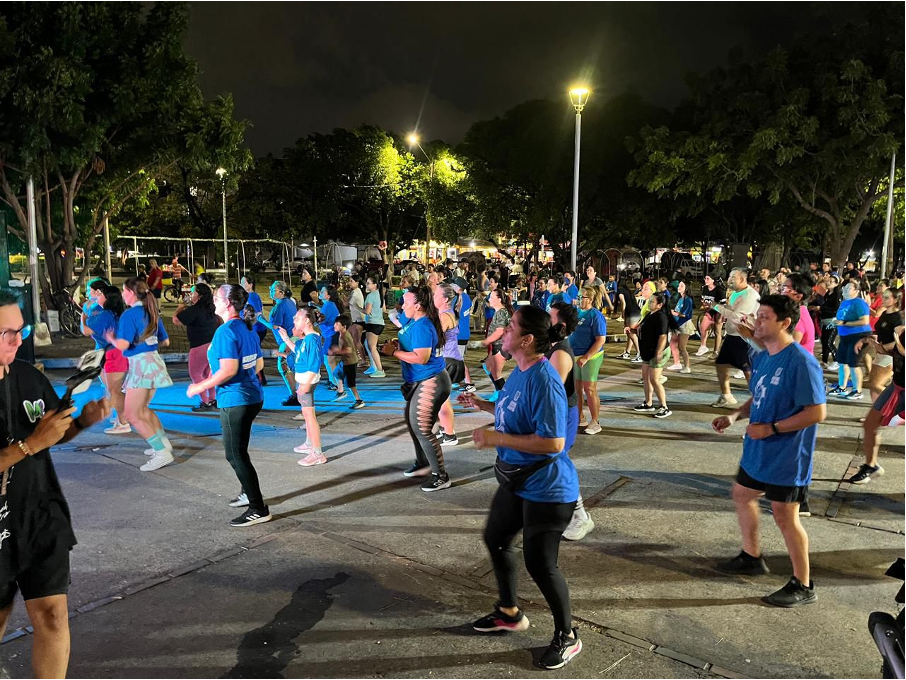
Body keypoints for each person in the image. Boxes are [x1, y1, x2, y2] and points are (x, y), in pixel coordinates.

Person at [459, 306, 582, 670]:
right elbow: (511, 408)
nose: (502, 329)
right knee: (496, 538)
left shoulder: (545, 378)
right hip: (516, 480)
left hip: (547, 488)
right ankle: (509, 612)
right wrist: (483, 405)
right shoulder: (520, 370)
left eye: (510, 326)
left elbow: (554, 442)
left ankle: (568, 635)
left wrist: (495, 436)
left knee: (540, 564)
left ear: (526, 339)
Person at [0, 290, 111, 679]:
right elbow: (36, 441)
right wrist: (30, 444)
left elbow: (50, 433)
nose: (18, 340)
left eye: (20, 330)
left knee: (52, 615)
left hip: (41, 517)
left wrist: (80, 423)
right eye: (6, 333)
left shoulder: (29, 376)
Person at [712, 295, 826, 607]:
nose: (756, 321)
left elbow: (817, 412)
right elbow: (759, 396)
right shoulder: (764, 357)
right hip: (758, 449)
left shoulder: (801, 363)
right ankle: (751, 556)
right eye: (756, 315)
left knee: (785, 516)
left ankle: (803, 583)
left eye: (763, 317)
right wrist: (736, 415)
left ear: (785, 323)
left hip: (787, 455)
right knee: (741, 493)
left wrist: (772, 428)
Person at [187, 284, 271, 527]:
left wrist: (200, 387)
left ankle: (258, 508)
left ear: (229, 303)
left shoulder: (226, 331)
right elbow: (256, 365)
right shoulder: (248, 328)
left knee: (234, 454)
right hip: (252, 396)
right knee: (240, 451)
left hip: (236, 400)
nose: (213, 299)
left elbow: (229, 370)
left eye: (217, 296)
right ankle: (248, 493)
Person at [380, 286, 453, 492]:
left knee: (421, 427)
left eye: (406, 301)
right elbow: (413, 346)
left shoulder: (422, 325)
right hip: (422, 379)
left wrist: (394, 352)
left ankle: (441, 475)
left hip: (432, 379)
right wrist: (399, 344)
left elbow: (421, 358)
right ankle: (423, 463)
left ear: (418, 305)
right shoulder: (414, 321)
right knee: (413, 424)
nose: (402, 305)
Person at [105, 278, 175, 472]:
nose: (122, 294)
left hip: (140, 366)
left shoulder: (130, 315)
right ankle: (163, 445)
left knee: (132, 414)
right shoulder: (151, 311)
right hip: (153, 361)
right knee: (143, 409)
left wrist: (111, 338)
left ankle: (161, 452)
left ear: (131, 292)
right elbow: (166, 341)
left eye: (124, 291)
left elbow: (124, 345)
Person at [549, 302, 594, 541]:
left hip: (563, 414)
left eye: (550, 317)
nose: (546, 320)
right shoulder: (553, 346)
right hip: (559, 413)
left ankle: (581, 517)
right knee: (551, 466)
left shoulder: (561, 353)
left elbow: (549, 391)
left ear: (561, 325)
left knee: (559, 465)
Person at [848, 307, 904, 484]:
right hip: (897, 387)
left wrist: (897, 340)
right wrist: (873, 343)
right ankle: (871, 465)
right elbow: (891, 350)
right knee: (870, 424)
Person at [278, 307, 327, 466]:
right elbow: (298, 352)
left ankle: (318, 452)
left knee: (310, 417)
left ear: (307, 320)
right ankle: (309, 443)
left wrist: (305, 385)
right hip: (304, 380)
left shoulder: (312, 339)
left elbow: (315, 365)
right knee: (307, 416)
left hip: (307, 381)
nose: (294, 320)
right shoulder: (307, 339)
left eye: (297, 318)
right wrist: (286, 339)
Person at [82, 284, 131, 434]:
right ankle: (122, 418)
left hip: (114, 354)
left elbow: (86, 330)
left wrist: (83, 315)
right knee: (114, 389)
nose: (97, 296)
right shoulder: (116, 313)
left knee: (114, 390)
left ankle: (123, 422)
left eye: (100, 294)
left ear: (108, 298)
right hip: (116, 353)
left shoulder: (105, 315)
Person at [711, 268, 760, 408]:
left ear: (742, 279)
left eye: (733, 277)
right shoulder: (735, 293)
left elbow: (737, 317)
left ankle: (759, 400)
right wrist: (722, 310)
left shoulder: (750, 296)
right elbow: (731, 309)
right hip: (732, 336)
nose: (729, 280)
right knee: (721, 364)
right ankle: (726, 395)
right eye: (730, 276)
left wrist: (716, 307)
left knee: (747, 369)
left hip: (744, 337)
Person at [174, 283, 222, 412]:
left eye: (193, 292)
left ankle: (205, 401)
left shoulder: (194, 310)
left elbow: (176, 320)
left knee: (195, 374)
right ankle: (212, 399)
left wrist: (180, 307)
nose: (191, 295)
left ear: (199, 296)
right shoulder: (210, 308)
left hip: (199, 345)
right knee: (207, 373)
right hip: (211, 344)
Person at [571, 286, 607, 434]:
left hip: (591, 356)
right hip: (575, 355)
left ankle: (595, 421)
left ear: (590, 299)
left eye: (582, 297)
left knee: (589, 389)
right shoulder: (578, 313)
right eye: (578, 296)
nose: (579, 299)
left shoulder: (596, 316)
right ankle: (579, 418)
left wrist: (586, 357)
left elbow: (600, 340)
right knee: (576, 389)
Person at [633, 292, 675, 418]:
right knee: (646, 377)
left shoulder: (661, 317)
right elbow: (642, 329)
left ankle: (664, 407)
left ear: (659, 305)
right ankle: (648, 403)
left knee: (654, 379)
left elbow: (663, 337)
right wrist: (632, 330)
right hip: (647, 350)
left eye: (652, 301)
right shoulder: (648, 314)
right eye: (649, 300)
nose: (649, 303)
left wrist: (658, 352)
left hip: (658, 351)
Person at [829, 281, 871, 400]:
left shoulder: (859, 303)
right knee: (842, 362)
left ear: (856, 291)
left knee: (854, 364)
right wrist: (836, 322)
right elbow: (842, 317)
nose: (845, 290)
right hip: (845, 336)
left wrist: (845, 323)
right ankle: (842, 387)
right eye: (845, 287)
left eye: (849, 288)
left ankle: (857, 391)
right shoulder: (844, 302)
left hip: (859, 336)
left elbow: (864, 321)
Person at [264, 281, 299, 406]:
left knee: (283, 366)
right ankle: (297, 393)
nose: (271, 292)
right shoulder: (290, 302)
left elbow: (275, 326)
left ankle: (295, 395)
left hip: (287, 339)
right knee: (291, 366)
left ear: (281, 292)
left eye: (273, 290)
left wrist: (260, 320)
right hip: (293, 338)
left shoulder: (280, 306)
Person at [482, 288, 514, 402]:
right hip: (497, 345)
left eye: (491, 297)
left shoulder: (501, 312)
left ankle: (503, 395)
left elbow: (499, 331)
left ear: (499, 299)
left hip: (501, 346)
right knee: (487, 366)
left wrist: (486, 341)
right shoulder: (500, 311)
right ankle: (498, 391)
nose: (489, 299)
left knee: (496, 374)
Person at [327, 315, 365, 409]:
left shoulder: (345, 336)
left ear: (344, 326)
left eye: (337, 324)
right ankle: (341, 392)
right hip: (344, 361)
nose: (334, 325)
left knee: (350, 384)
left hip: (350, 362)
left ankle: (359, 400)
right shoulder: (341, 334)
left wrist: (336, 351)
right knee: (336, 372)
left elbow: (349, 350)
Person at [241, 275, 268, 386]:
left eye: (244, 282)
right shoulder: (251, 296)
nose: (241, 284)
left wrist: (249, 327)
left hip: (257, 329)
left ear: (250, 285)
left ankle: (260, 377)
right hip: (257, 329)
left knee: (254, 353)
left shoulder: (251, 297)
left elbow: (256, 314)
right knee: (254, 352)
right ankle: (259, 377)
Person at [452, 277, 476, 393]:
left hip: (459, 333)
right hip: (464, 332)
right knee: (455, 358)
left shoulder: (458, 299)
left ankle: (469, 383)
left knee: (459, 359)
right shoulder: (466, 298)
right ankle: (455, 380)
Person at [318, 286, 343, 389]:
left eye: (323, 291)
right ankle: (333, 380)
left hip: (331, 335)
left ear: (328, 295)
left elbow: (320, 320)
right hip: (330, 334)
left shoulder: (328, 306)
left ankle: (336, 383)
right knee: (327, 359)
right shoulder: (328, 305)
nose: (320, 291)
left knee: (329, 360)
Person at [667, 281, 694, 373]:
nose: (679, 287)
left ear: (686, 288)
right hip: (677, 324)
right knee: (672, 343)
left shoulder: (688, 299)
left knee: (682, 347)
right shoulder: (681, 299)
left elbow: (684, 315)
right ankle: (676, 363)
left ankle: (687, 367)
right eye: (679, 285)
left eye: (681, 285)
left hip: (685, 324)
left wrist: (672, 312)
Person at [695, 275, 726, 357]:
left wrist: (720, 316)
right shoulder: (704, 288)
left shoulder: (719, 290)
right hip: (709, 312)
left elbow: (723, 305)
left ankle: (716, 351)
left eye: (708, 278)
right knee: (703, 327)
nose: (705, 280)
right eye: (705, 278)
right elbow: (704, 300)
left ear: (713, 280)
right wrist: (704, 305)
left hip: (718, 312)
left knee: (717, 332)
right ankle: (703, 346)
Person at [362, 276, 386, 378]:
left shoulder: (371, 296)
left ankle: (380, 370)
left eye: (368, 283)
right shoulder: (379, 295)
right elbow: (384, 309)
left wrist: (357, 307)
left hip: (373, 323)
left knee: (372, 347)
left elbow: (367, 311)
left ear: (375, 285)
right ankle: (373, 366)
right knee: (367, 344)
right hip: (379, 322)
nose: (366, 285)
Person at [817, 276, 841, 370]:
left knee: (829, 341)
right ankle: (824, 361)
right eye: (828, 281)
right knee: (824, 341)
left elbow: (836, 309)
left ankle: (837, 360)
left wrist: (821, 308)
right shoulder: (827, 294)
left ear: (836, 284)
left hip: (833, 321)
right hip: (825, 320)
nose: (828, 283)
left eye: (831, 281)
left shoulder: (837, 294)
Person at [346, 275, 367, 369]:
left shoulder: (355, 292)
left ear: (357, 283)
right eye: (349, 281)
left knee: (357, 341)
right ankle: (355, 357)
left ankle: (363, 360)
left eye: (352, 281)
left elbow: (346, 303)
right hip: (356, 319)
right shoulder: (355, 292)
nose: (350, 283)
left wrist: (342, 298)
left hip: (359, 319)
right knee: (349, 338)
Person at [617, 278, 642, 359]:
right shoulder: (628, 291)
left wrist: (623, 315)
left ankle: (640, 353)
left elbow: (623, 302)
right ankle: (627, 352)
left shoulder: (620, 291)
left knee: (631, 333)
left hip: (631, 314)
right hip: (637, 312)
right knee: (630, 333)